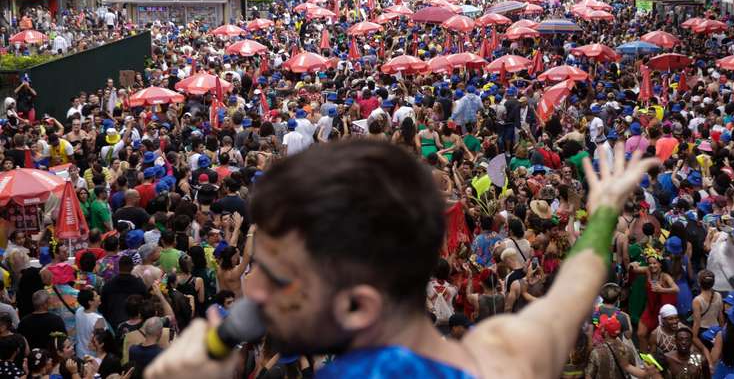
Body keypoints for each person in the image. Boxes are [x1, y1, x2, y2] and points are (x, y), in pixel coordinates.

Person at [147, 140, 658, 379]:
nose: (251, 290)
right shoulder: (504, 352)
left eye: (277, 279)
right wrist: (604, 213)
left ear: (357, 307)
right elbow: (572, 292)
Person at [74, 287, 106, 359]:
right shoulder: (98, 319)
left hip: (80, 352)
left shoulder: (79, 311)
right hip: (92, 356)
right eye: (96, 296)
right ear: (90, 302)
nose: (99, 297)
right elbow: (101, 342)